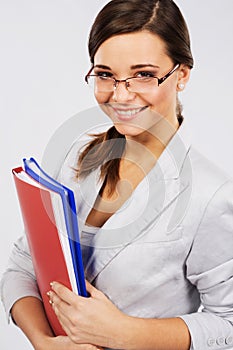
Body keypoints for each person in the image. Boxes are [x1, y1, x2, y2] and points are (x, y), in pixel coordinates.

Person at [1, 0, 233, 349]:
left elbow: (228, 322)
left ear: (181, 75)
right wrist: (43, 341)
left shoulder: (210, 195)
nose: (120, 96)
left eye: (143, 74)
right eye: (106, 74)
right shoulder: (76, 155)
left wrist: (125, 333)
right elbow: (22, 264)